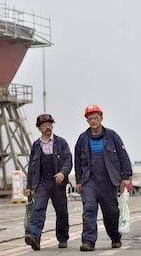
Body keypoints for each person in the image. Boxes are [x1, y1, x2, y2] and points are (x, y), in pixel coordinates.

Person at [75, 104, 133, 251]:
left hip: (108, 180)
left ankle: (115, 237)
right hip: (89, 181)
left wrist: (126, 176)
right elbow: (77, 162)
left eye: (95, 117)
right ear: (87, 120)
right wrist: (78, 181)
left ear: (101, 118)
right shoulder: (82, 139)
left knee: (111, 212)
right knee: (88, 209)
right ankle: (88, 241)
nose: (93, 121)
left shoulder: (112, 136)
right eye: (90, 118)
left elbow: (123, 156)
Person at [24, 113, 72, 250]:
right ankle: (34, 237)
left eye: (49, 125)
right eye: (44, 126)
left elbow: (68, 160)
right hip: (41, 183)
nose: (48, 127)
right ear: (39, 128)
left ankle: (62, 238)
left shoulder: (61, 143)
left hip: (58, 183)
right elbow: (31, 168)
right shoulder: (36, 145)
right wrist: (29, 186)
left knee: (61, 211)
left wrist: (63, 173)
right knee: (38, 209)